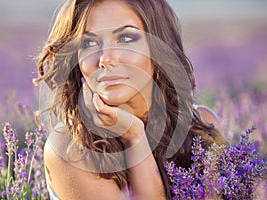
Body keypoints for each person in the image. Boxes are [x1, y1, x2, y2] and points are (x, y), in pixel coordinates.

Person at [34, 0, 228, 199]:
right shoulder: (70, 150)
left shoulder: (201, 124)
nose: (106, 59)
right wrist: (134, 138)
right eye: (89, 43)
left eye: (126, 38)